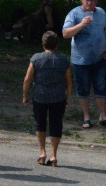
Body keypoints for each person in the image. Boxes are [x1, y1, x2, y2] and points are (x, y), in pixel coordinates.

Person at [62, 0, 106, 129]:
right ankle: (86, 117)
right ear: (82, 0)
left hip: (100, 58)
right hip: (81, 60)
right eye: (87, 0)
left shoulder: (102, 13)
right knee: (83, 88)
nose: (89, 3)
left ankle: (103, 115)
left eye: (92, 0)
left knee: (101, 87)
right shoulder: (74, 13)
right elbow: (65, 34)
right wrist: (81, 25)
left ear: (96, 1)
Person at [22, 31, 73, 166]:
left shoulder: (36, 58)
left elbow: (27, 79)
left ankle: (42, 152)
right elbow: (69, 82)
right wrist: (67, 97)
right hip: (58, 96)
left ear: (43, 44)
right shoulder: (63, 60)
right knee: (56, 123)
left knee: (40, 122)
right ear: (56, 45)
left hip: (40, 95)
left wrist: (25, 95)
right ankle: (54, 155)